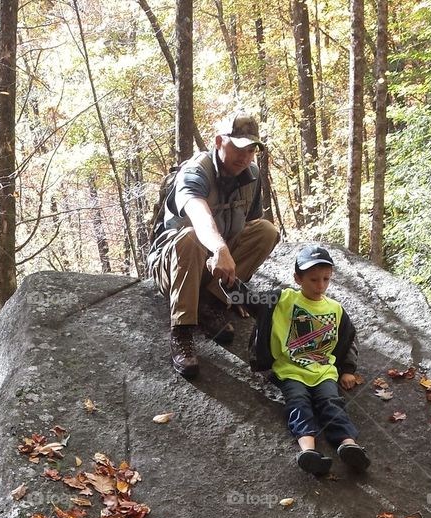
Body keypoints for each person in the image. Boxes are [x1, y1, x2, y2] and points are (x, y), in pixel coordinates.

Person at [147, 112, 279, 380]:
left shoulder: (251, 177)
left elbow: (248, 230)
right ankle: (182, 329)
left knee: (267, 231)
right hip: (174, 265)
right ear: (219, 141)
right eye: (239, 148)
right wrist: (220, 249)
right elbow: (198, 213)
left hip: (210, 266)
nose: (245, 157)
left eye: (252, 149)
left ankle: (213, 302)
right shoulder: (195, 172)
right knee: (191, 236)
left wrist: (239, 286)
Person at [244, 244, 369, 476]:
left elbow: (349, 338)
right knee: (298, 402)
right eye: (313, 280)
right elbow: (251, 302)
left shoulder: (336, 309)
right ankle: (308, 450)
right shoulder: (283, 300)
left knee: (332, 402)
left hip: (323, 372)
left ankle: (348, 445)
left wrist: (348, 369)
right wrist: (229, 283)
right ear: (297, 278)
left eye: (325, 279)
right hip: (290, 370)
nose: (320, 286)